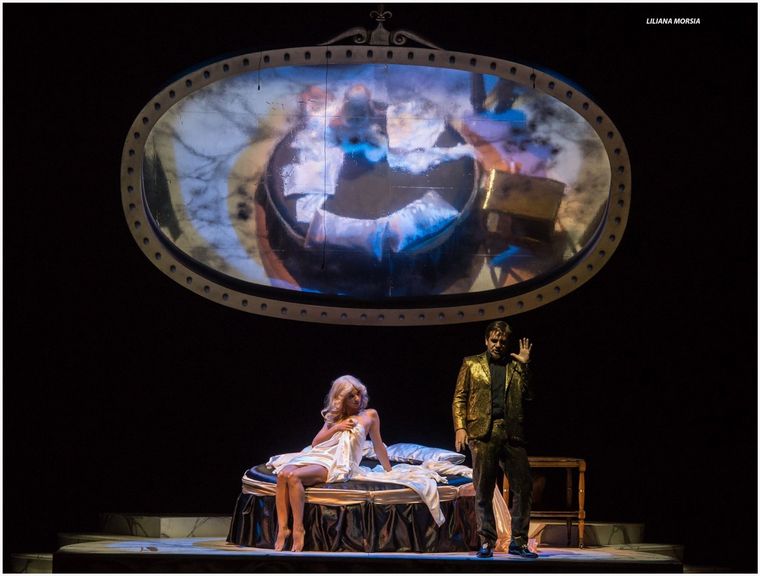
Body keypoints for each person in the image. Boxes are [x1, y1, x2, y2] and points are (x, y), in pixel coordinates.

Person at [272, 375, 392, 552]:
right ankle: (283, 529)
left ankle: (298, 529)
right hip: (319, 455)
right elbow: (315, 443)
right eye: (351, 396)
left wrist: (389, 470)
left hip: (338, 462)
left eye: (358, 394)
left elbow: (378, 445)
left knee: (294, 476)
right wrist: (337, 427)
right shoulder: (335, 418)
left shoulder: (370, 415)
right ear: (341, 398)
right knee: (283, 474)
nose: (357, 399)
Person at [452, 320, 538, 559]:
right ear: (486, 340)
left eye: (502, 341)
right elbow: (460, 397)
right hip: (482, 433)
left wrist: (525, 366)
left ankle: (518, 542)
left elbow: (530, 396)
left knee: (524, 486)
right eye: (494, 340)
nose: (498, 344)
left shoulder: (515, 365)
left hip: (511, 433)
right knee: (484, 489)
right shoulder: (471, 364)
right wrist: (460, 427)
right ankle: (486, 542)